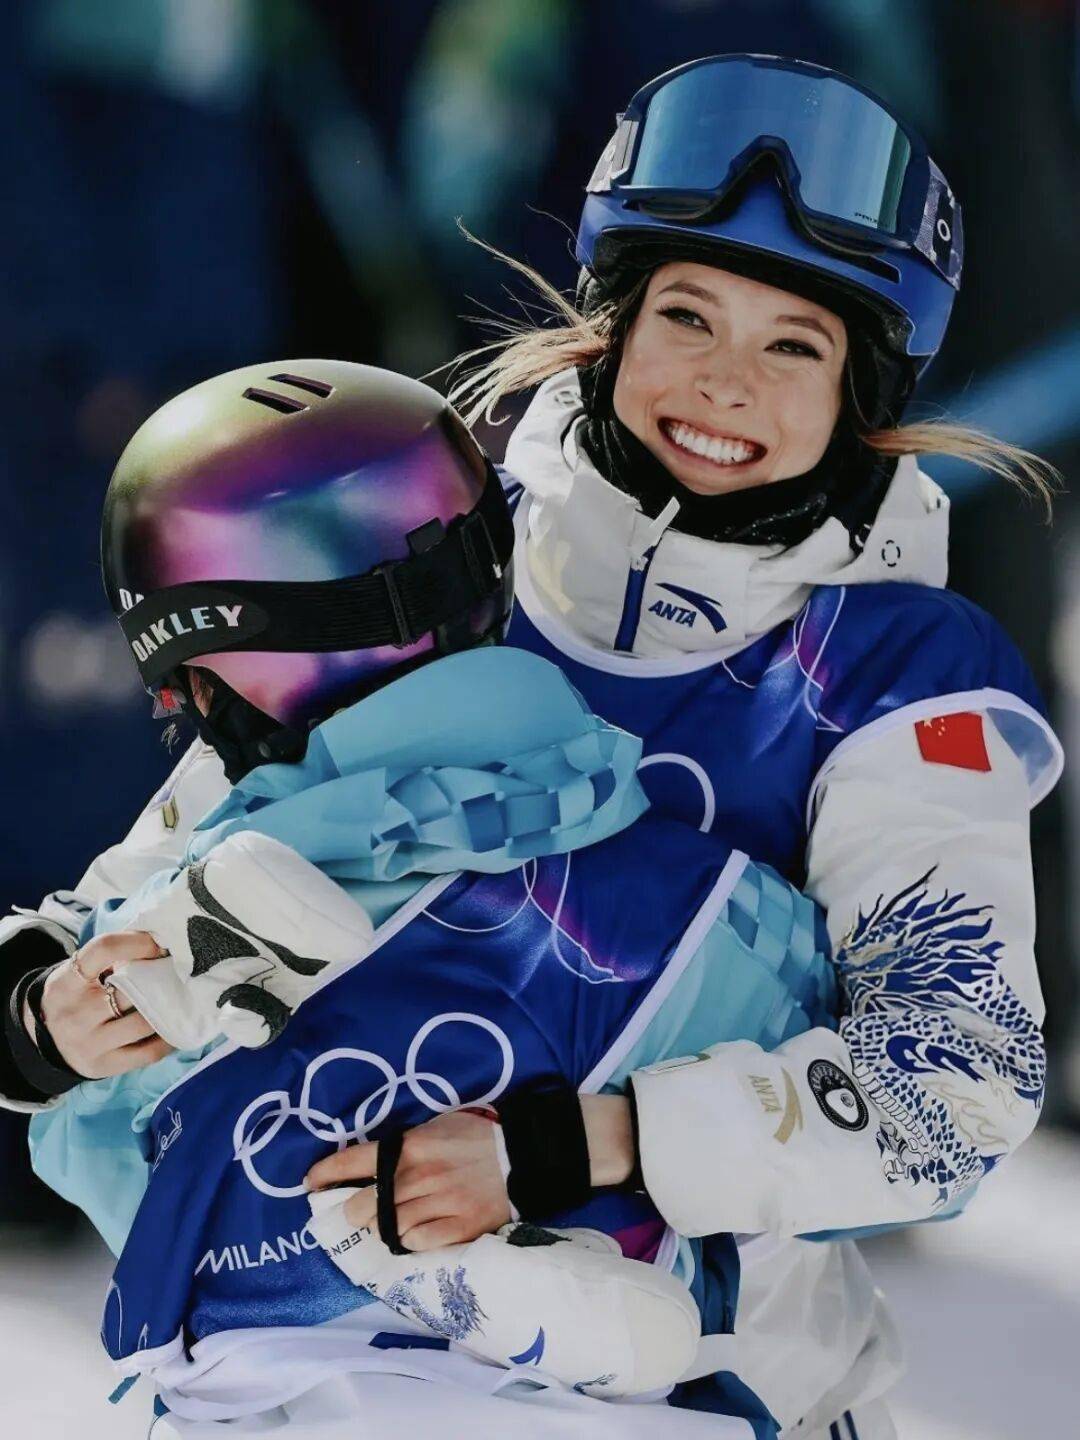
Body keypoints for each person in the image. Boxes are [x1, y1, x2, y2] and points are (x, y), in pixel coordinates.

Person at [0, 53, 1060, 1440]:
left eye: (794, 346)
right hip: (298, 1357)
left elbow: (955, 1085)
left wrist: (566, 1150)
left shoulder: (892, 673)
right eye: (688, 316)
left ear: (860, 388)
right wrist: (50, 1013)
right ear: (612, 328)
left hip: (703, 1383)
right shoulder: (440, 545)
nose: (727, 383)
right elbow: (197, 847)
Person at [3, 359, 841, 1438]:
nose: (185, 709)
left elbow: (110, 1162)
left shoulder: (210, 865)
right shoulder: (714, 914)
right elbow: (872, 1153)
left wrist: (564, 1150)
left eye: (195, 675)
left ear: (283, 644)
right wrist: (42, 1021)